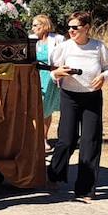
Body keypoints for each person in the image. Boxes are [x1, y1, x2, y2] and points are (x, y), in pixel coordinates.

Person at [48, 11, 108, 201]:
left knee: (90, 141)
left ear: (86, 28)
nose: (71, 31)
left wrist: (103, 76)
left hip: (92, 97)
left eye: (75, 27)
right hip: (69, 96)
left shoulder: (98, 47)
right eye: (69, 27)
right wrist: (58, 73)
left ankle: (86, 189)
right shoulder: (64, 47)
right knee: (67, 140)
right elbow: (53, 72)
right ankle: (54, 174)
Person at [32, 14, 64, 146]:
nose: (32, 28)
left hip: (49, 77)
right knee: (34, 107)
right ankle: (34, 137)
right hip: (34, 76)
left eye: (35, 25)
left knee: (46, 108)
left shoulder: (57, 39)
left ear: (44, 26)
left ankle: (43, 138)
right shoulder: (32, 40)